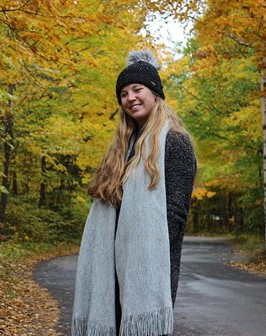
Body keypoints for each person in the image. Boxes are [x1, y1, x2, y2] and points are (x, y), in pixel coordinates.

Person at [72, 50, 196, 336]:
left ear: (155, 93)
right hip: (111, 264)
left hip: (147, 267)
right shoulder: (122, 149)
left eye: (137, 89)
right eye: (124, 93)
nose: (130, 98)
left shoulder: (175, 143)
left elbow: (175, 216)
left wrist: (146, 266)